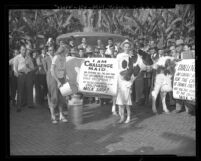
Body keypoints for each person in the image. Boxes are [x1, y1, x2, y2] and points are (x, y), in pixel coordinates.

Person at [116, 39, 134, 124]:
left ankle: (129, 117)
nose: (126, 48)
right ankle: (122, 117)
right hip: (120, 80)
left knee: (127, 102)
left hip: (127, 81)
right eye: (125, 47)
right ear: (123, 47)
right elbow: (117, 66)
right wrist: (120, 75)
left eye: (128, 47)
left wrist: (128, 78)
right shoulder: (119, 55)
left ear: (129, 48)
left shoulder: (131, 57)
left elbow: (131, 70)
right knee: (120, 102)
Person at [50, 46, 68, 123]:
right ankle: (53, 115)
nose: (66, 53)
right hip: (55, 79)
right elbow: (52, 71)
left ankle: (61, 115)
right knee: (54, 98)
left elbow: (64, 69)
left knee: (62, 98)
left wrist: (65, 78)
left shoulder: (64, 58)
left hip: (62, 79)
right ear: (62, 51)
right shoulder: (56, 58)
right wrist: (57, 81)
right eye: (66, 51)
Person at [13, 45, 28, 112]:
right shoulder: (17, 57)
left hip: (26, 75)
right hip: (20, 75)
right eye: (22, 49)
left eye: (25, 49)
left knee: (25, 90)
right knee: (20, 91)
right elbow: (15, 67)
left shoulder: (27, 57)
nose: (24, 51)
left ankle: (23, 103)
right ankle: (18, 106)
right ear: (20, 50)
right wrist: (17, 75)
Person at [25, 44, 36, 109]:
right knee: (29, 89)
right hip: (29, 73)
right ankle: (30, 104)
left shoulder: (29, 56)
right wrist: (33, 69)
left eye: (30, 50)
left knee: (30, 88)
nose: (29, 51)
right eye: (29, 50)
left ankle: (29, 103)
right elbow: (26, 65)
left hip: (30, 73)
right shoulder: (26, 57)